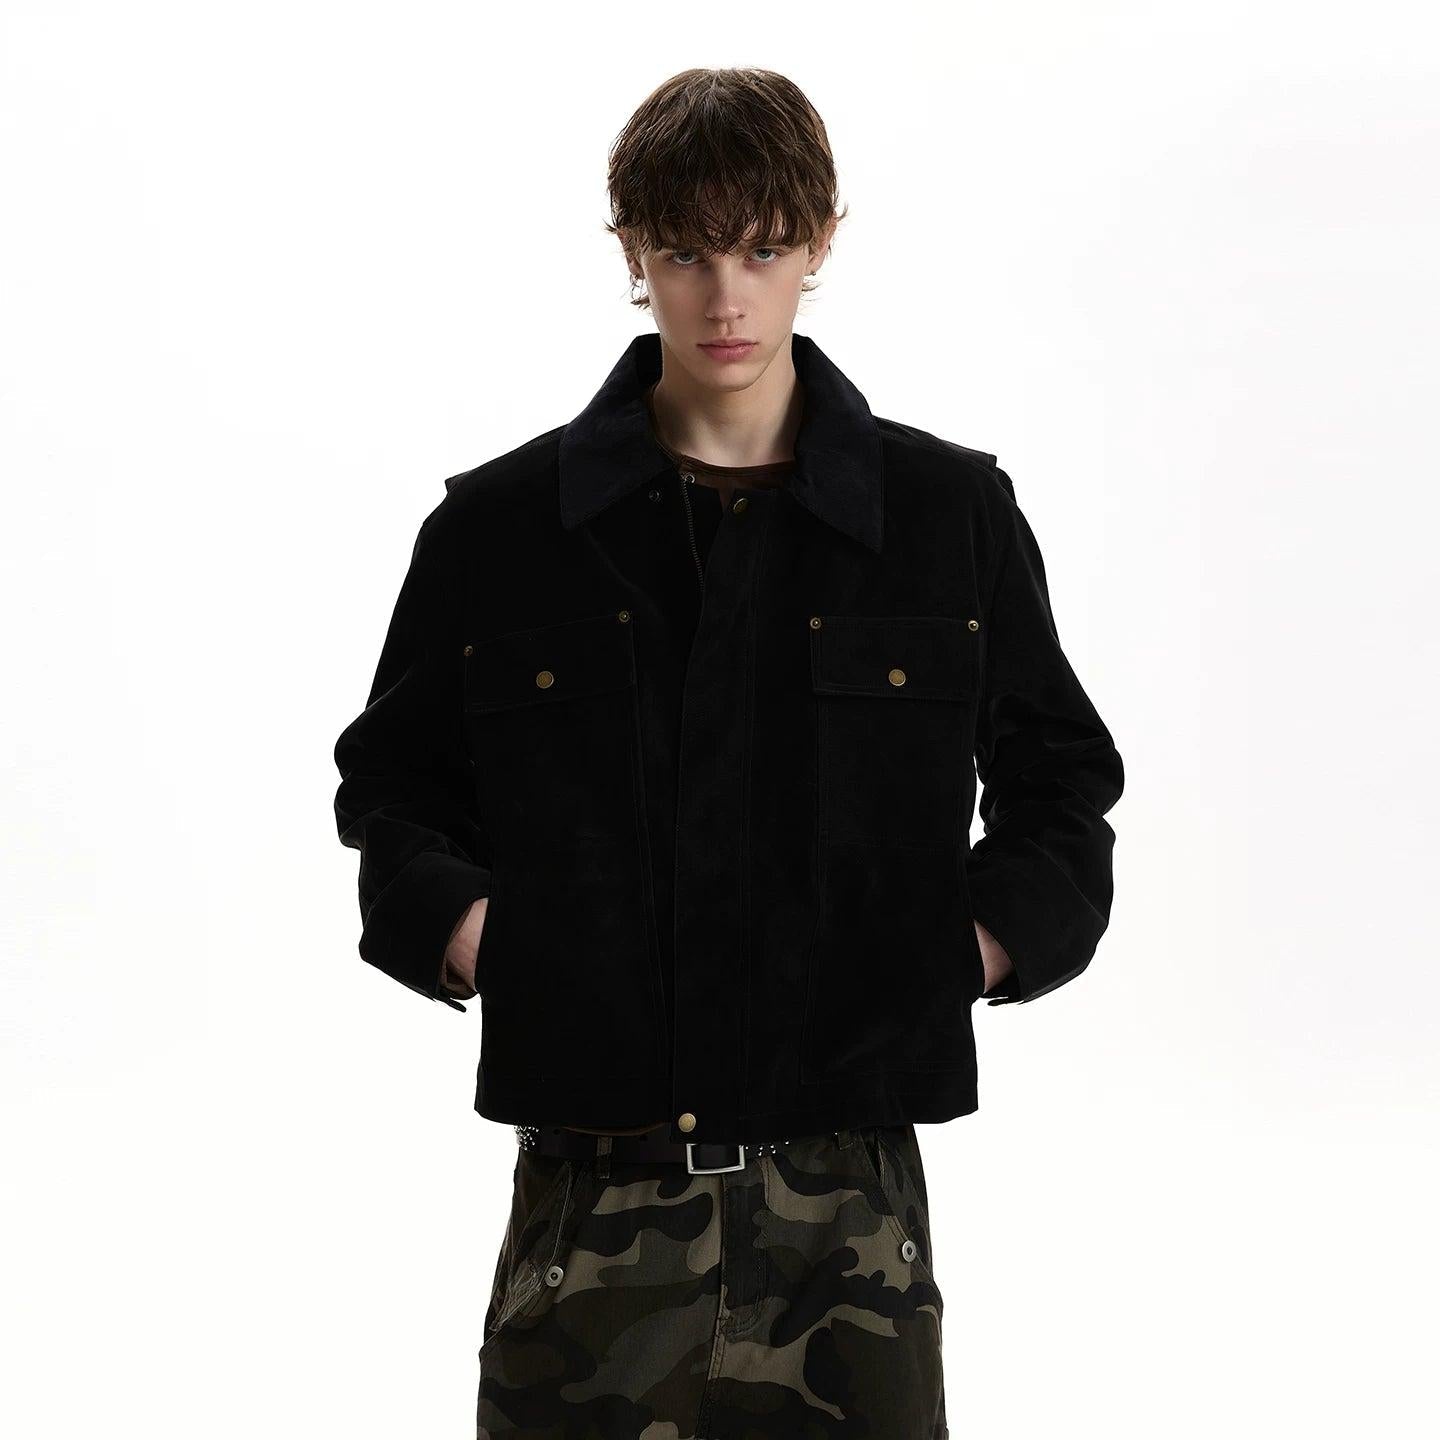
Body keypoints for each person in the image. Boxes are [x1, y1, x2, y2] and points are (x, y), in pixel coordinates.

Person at [332, 66, 1123, 1440]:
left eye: (762, 249)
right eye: (687, 252)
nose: (725, 297)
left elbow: (1063, 784)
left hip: (848, 1220)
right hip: (589, 1206)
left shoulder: (946, 517)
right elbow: (391, 787)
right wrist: (479, 940)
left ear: (822, 242)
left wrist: (972, 951)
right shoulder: (500, 531)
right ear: (631, 252)